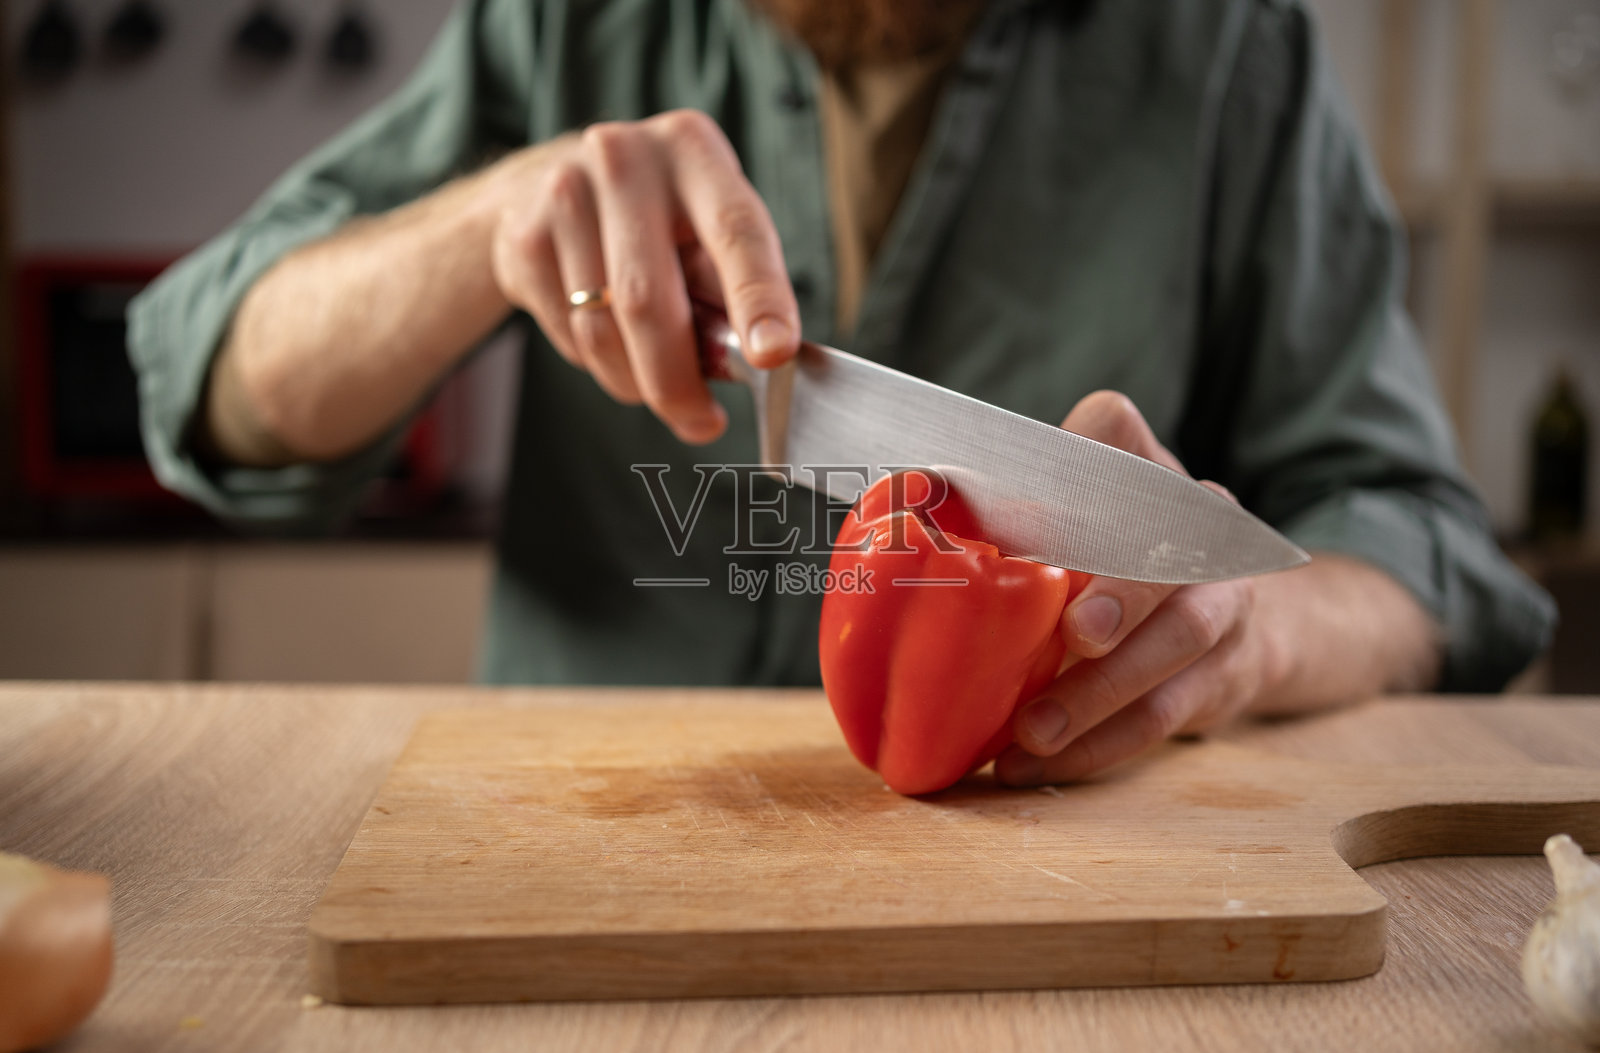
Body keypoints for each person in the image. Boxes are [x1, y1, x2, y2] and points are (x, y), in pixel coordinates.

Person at [128, 0, 1554, 787]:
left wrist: (1250, 635)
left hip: (1028, 881)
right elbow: (206, 381)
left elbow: (1426, 546)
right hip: (562, 819)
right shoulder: (564, 23)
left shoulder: (1225, 44)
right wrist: (486, 225)